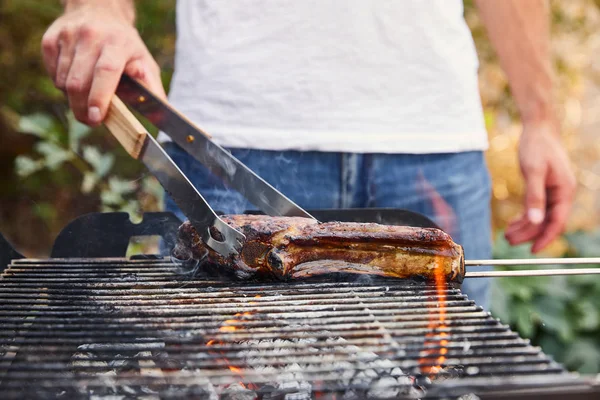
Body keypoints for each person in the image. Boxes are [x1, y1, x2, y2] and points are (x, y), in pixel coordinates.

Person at [42, 0, 576, 310]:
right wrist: (97, 9)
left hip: (432, 144)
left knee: (450, 380)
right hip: (228, 148)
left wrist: (541, 118)